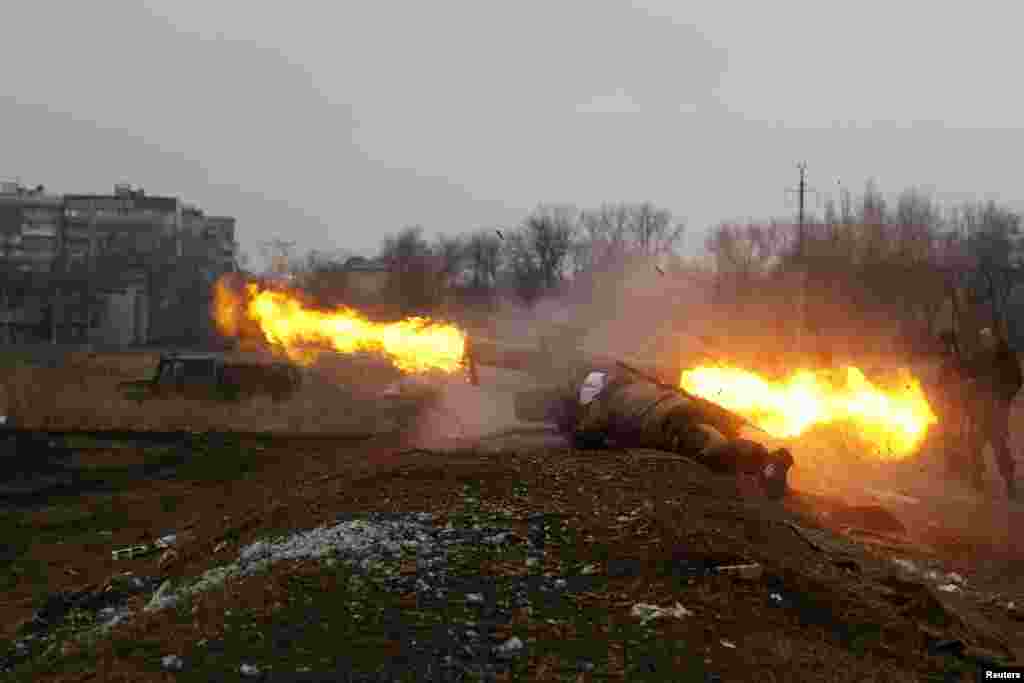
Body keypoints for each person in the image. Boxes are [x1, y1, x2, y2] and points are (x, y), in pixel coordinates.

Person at [515, 362, 795, 499]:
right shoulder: (636, 385)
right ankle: (764, 463)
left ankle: (769, 461)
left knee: (709, 452)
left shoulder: (606, 400)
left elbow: (588, 435)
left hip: (666, 423)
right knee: (711, 439)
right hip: (682, 409)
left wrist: (573, 432)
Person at [963, 327, 1022, 500]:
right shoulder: (979, 356)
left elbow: (1016, 380)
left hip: (997, 407)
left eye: (988, 338)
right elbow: (970, 379)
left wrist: (1004, 398)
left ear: (995, 339)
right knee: (975, 444)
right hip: (980, 408)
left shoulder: (1006, 356)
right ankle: (977, 476)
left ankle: (1009, 481)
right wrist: (970, 404)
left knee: (1000, 446)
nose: (986, 341)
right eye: (983, 338)